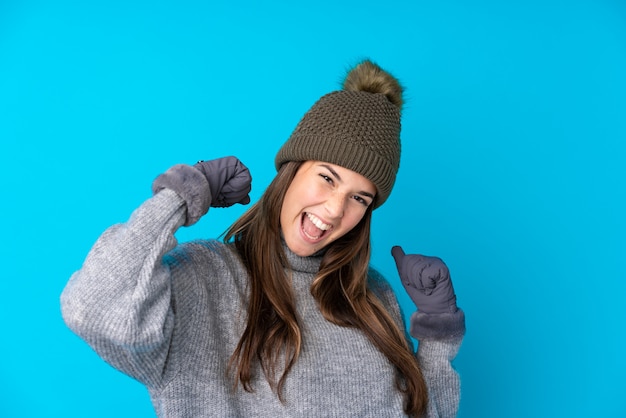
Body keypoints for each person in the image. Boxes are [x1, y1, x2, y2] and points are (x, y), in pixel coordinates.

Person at [61, 59, 465, 417]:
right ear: (291, 171)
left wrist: (438, 332)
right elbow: (94, 308)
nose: (334, 211)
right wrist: (181, 195)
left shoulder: (372, 295)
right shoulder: (204, 276)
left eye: (359, 198)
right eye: (327, 177)